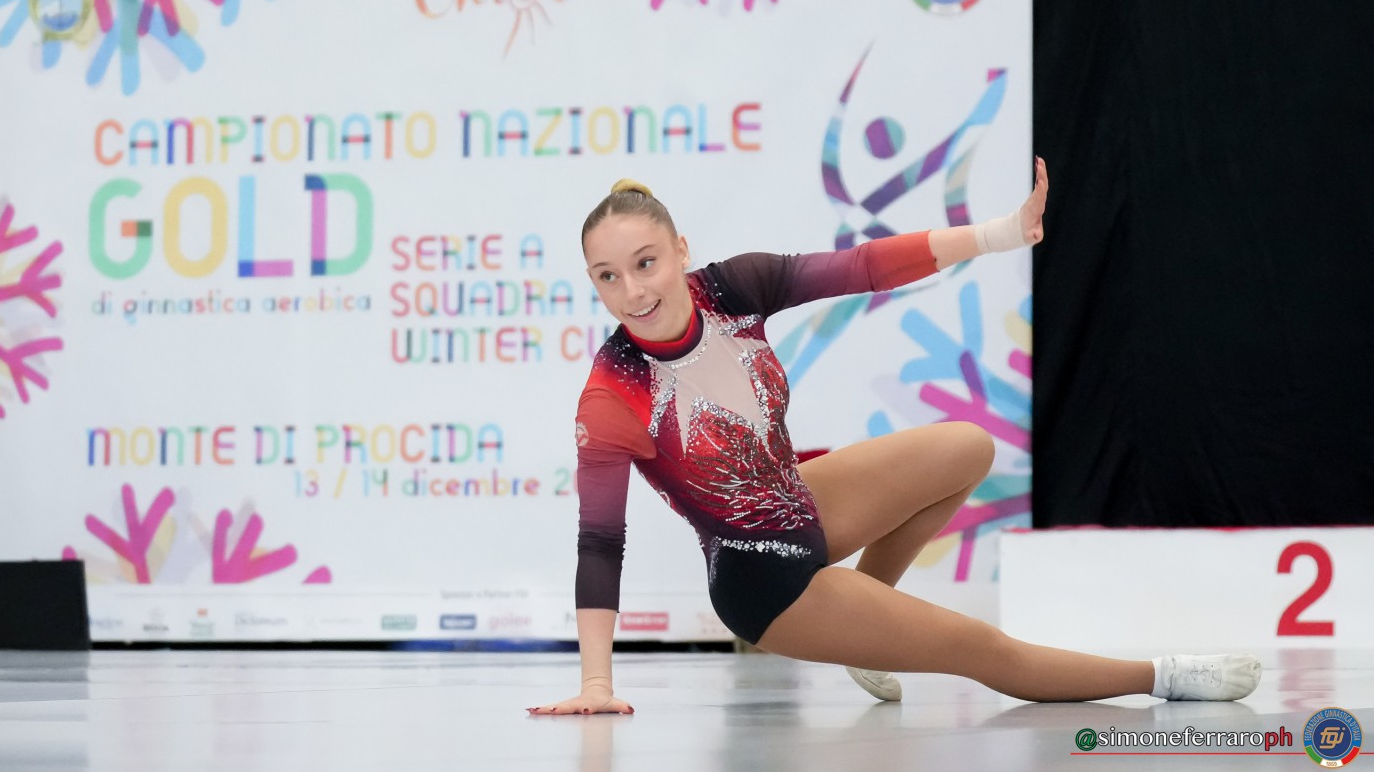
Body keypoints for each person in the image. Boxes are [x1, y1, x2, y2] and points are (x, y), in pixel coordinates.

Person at [529, 159, 1260, 715]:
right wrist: (596, 683)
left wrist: (1002, 233)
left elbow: (862, 267)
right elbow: (600, 543)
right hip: (764, 584)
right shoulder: (613, 396)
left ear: (680, 249)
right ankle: (1164, 676)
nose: (633, 291)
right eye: (607, 277)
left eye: (645, 262)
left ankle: (867, 624)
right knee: (977, 647)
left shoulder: (732, 289)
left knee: (966, 448)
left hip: (802, 507)